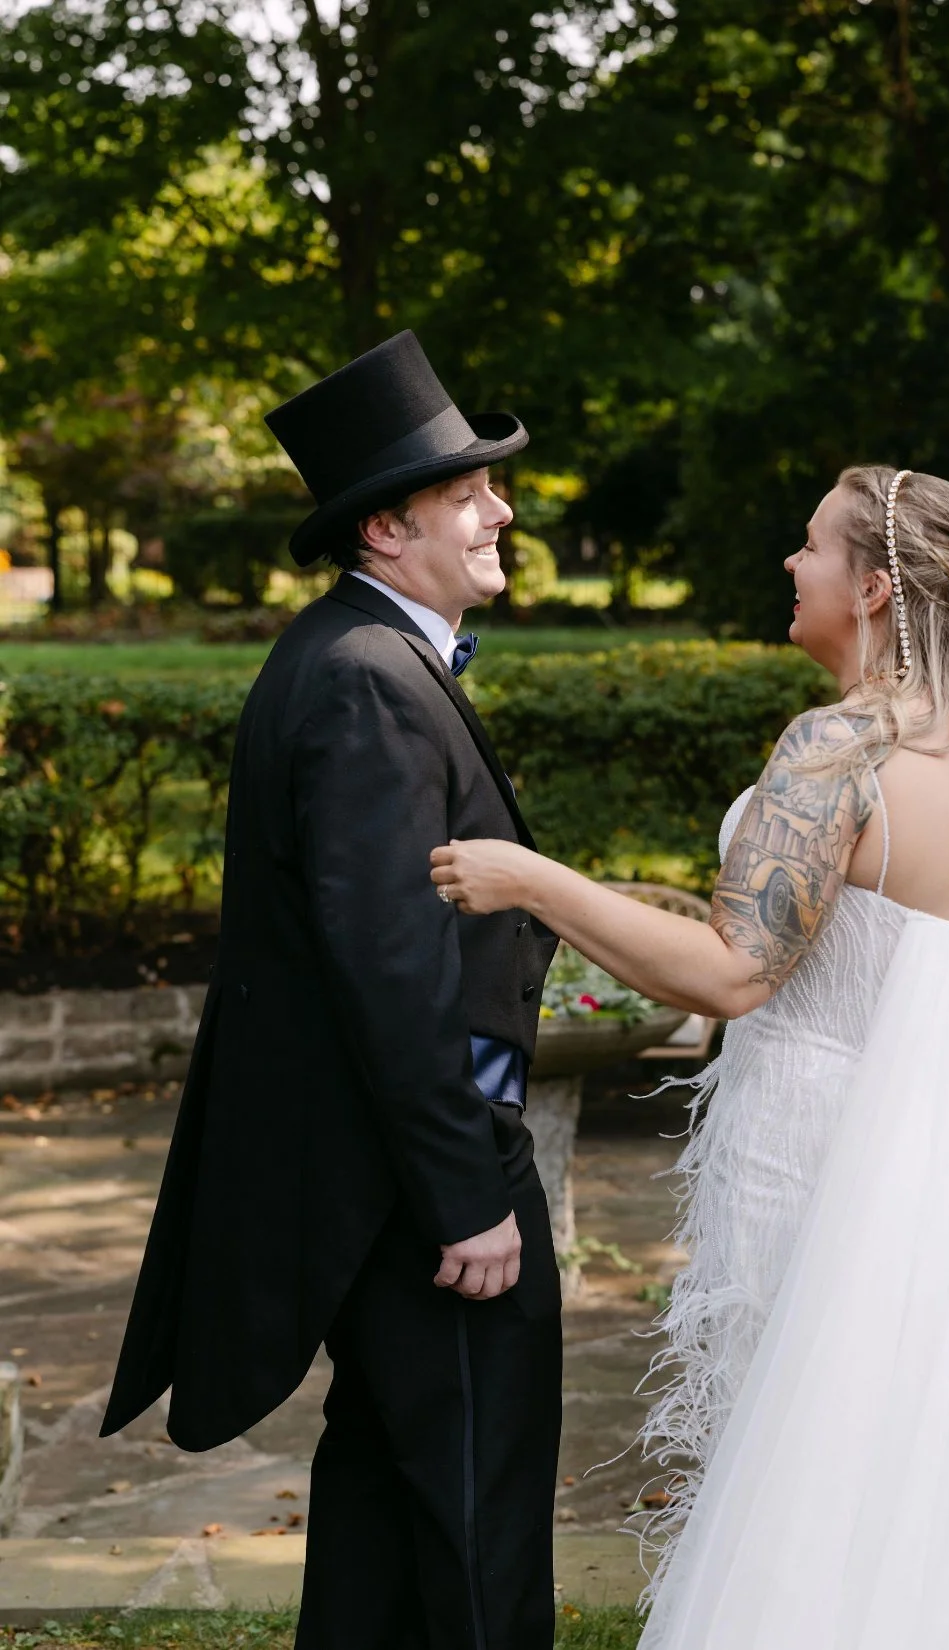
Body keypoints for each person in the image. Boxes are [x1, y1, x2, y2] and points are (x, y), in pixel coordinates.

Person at [430, 465, 949, 1647]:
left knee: (819, 1471)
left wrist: (527, 879)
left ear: (875, 587)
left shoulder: (838, 745)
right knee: (946, 1471)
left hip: (825, 1159)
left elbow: (732, 970)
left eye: (807, 547)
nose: (789, 566)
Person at [101, 331, 563, 1650]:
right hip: (418, 1186)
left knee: (384, 1499)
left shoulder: (362, 656)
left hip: (383, 1177)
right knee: (475, 1511)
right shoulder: (367, 683)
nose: (500, 508)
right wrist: (468, 1196)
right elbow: (390, 968)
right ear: (384, 527)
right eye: (468, 491)